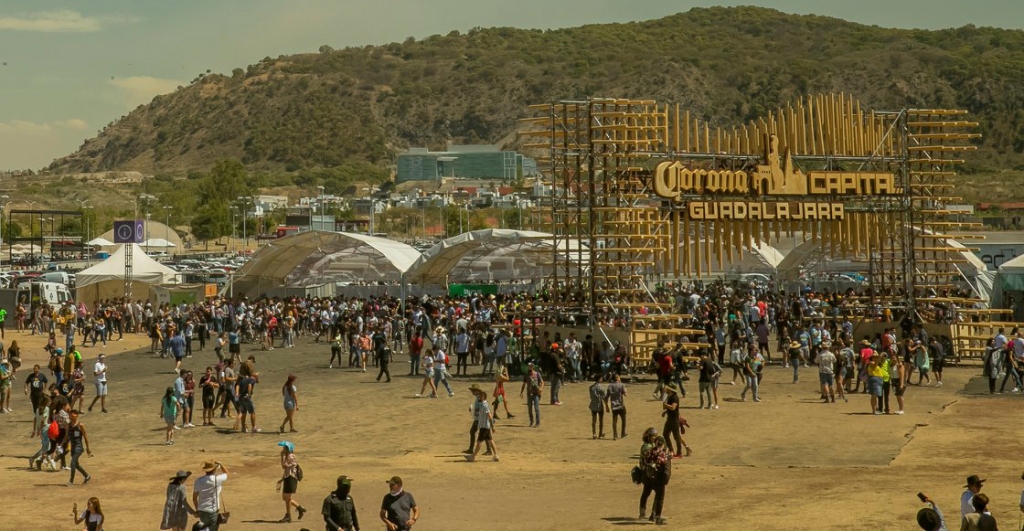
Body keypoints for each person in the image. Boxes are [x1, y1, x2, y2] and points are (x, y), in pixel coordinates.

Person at [637, 430, 671, 525]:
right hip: (657, 478)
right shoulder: (662, 453)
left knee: (646, 493)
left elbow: (645, 461)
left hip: (648, 477)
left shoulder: (650, 450)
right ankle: (656, 517)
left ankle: (649, 514)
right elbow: (664, 465)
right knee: (659, 497)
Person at [276, 441, 307, 523]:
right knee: (285, 498)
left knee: (287, 498)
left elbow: (284, 466)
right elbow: (286, 469)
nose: (283, 449)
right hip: (288, 478)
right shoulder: (288, 456)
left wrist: (281, 456)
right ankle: (300, 508)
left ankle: (288, 515)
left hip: (291, 479)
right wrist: (282, 479)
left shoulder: (291, 456)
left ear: (287, 449)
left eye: (284, 448)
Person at [466, 385, 499, 462]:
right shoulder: (483, 404)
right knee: (490, 440)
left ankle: (473, 456)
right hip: (485, 426)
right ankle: (496, 455)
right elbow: (480, 412)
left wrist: (492, 426)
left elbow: (490, 415)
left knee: (479, 442)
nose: (479, 397)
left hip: (484, 426)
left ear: (483, 397)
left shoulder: (484, 404)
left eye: (480, 396)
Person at [193, 461, 229, 531]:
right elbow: (227, 473)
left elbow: (194, 498)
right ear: (214, 469)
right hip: (213, 510)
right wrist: (221, 464)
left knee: (203, 529)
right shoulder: (218, 479)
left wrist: (197, 509)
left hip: (202, 510)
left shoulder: (199, 481)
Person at [660, 383, 690, 458]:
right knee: (665, 434)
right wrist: (666, 411)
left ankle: (679, 453)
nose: (666, 389)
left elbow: (673, 408)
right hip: (669, 419)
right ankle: (671, 450)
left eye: (667, 388)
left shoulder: (674, 397)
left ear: (671, 389)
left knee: (676, 437)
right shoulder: (669, 396)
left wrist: (665, 405)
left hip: (674, 420)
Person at [65, 409, 92, 486]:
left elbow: (85, 437)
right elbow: (66, 437)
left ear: (76, 415)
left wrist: (88, 448)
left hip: (78, 447)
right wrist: (61, 445)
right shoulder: (68, 425)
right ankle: (87, 476)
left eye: (73, 414)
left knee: (72, 463)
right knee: (76, 465)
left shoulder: (80, 425)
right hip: (73, 448)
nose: (71, 415)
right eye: (70, 414)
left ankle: (71, 481)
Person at [520, 362, 544, 428]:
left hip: (536, 394)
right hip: (529, 394)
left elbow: (542, 382)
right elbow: (524, 384)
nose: (528, 368)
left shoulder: (537, 374)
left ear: (532, 367)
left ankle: (537, 422)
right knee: (529, 409)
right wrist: (521, 392)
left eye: (530, 366)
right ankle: (531, 421)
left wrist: (541, 389)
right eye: (528, 366)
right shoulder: (526, 375)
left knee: (536, 409)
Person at [607, 372, 628, 439]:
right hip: (621, 405)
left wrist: (606, 405)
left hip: (614, 405)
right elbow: (625, 394)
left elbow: (607, 396)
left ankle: (615, 435)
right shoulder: (621, 385)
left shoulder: (610, 386)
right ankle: (623, 433)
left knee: (614, 421)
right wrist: (625, 390)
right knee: (623, 419)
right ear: (617, 378)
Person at [588, 373, 609, 439]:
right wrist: (606, 405)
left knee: (594, 420)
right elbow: (604, 397)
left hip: (593, 404)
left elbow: (591, 396)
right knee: (601, 420)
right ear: (599, 379)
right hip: (599, 404)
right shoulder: (601, 388)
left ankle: (594, 433)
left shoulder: (591, 387)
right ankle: (600, 434)